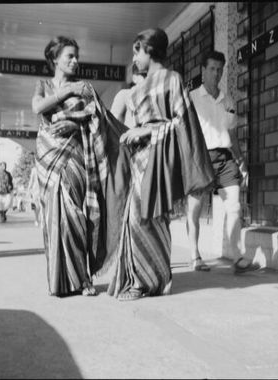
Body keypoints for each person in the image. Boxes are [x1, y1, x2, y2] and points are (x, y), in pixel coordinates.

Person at [107, 28, 215, 301]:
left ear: (149, 49)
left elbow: (182, 121)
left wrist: (147, 132)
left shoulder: (172, 79)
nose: (134, 57)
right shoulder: (138, 89)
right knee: (135, 218)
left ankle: (149, 281)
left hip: (160, 156)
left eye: (136, 51)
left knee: (148, 216)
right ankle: (148, 279)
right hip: (139, 160)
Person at [32, 36, 127, 297]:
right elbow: (37, 107)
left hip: (75, 158)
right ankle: (59, 281)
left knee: (75, 215)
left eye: (76, 56)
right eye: (69, 56)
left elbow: (99, 119)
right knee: (54, 219)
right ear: (54, 60)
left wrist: (75, 124)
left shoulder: (85, 87)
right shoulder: (43, 85)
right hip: (48, 159)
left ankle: (83, 279)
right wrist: (66, 92)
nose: (75, 61)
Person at [187, 50, 259, 274]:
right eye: (212, 69)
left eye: (220, 69)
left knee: (235, 206)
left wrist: (241, 162)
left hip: (225, 158)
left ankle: (237, 257)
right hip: (201, 158)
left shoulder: (227, 99)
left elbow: (233, 135)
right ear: (203, 71)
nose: (216, 74)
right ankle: (195, 256)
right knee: (195, 210)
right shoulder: (192, 98)